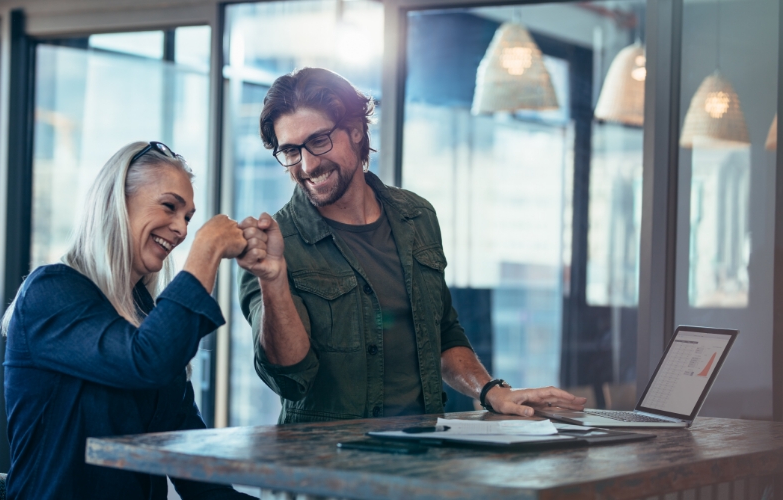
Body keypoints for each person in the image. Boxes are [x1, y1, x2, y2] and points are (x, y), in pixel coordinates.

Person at [238, 67, 586, 424]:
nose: (308, 164)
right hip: (323, 466)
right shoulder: (272, 249)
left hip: (422, 454)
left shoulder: (417, 216)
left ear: (356, 131)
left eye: (319, 140)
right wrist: (274, 280)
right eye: (291, 151)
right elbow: (288, 378)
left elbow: (442, 332)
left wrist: (489, 390)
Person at [1, 142, 259, 499]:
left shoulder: (151, 320)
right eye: (169, 207)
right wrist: (207, 250)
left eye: (188, 218)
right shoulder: (51, 292)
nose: (182, 230)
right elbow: (145, 361)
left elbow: (194, 467)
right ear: (116, 203)